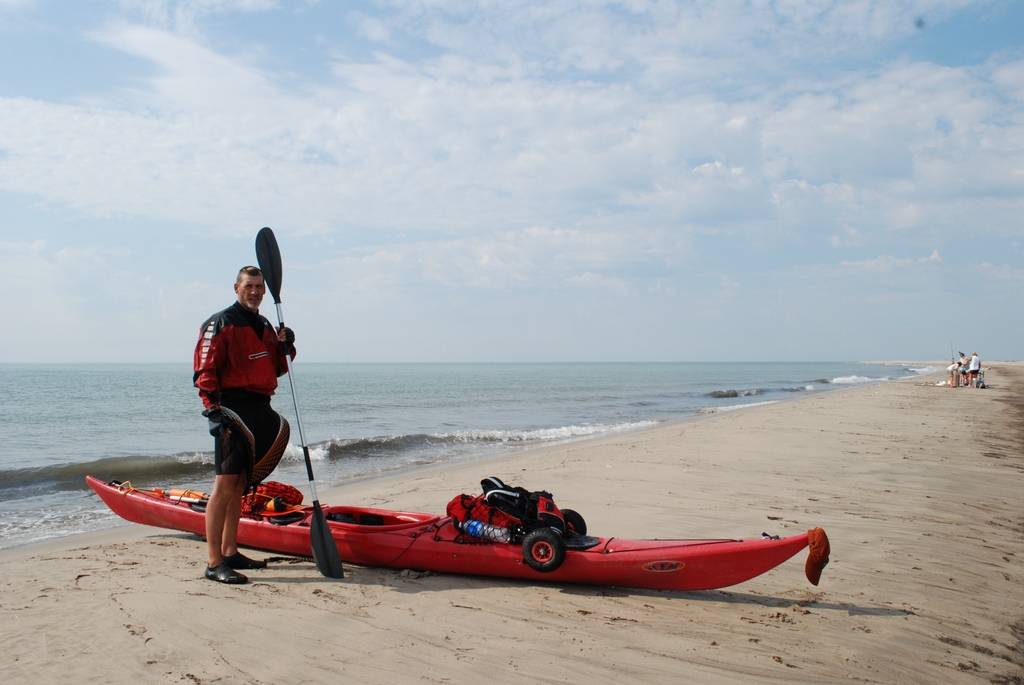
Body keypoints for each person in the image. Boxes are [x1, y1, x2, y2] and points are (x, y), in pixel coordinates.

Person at [193, 265, 296, 584]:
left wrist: (286, 345)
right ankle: (213, 563)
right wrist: (214, 412)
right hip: (230, 410)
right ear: (236, 288)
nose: (255, 291)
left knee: (239, 487)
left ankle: (230, 550)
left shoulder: (265, 325)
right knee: (224, 487)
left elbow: (278, 369)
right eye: (249, 285)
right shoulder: (220, 323)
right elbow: (204, 372)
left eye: (259, 287)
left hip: (259, 407)